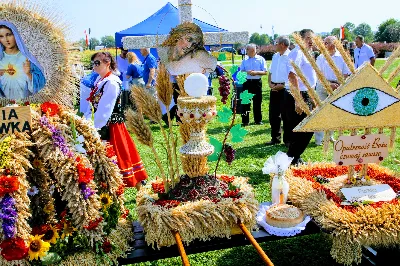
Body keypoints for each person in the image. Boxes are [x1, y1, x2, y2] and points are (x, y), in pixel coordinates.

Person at [84, 51, 147, 190]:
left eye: (97, 63)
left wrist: (93, 127)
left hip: (111, 126)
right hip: (104, 124)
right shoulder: (100, 81)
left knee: (119, 159)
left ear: (107, 63)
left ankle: (138, 192)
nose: (94, 66)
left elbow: (105, 109)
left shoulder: (111, 82)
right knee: (114, 160)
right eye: (93, 63)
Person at [285, 29, 317, 165]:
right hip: (299, 94)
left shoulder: (307, 53)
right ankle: (292, 157)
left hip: (308, 94)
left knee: (305, 127)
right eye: (308, 38)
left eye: (313, 38)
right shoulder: (297, 52)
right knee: (304, 127)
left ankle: (294, 156)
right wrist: (298, 100)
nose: (312, 41)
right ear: (300, 38)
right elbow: (292, 75)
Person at [314, 36, 351, 145]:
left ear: (334, 44)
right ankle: (319, 139)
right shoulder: (321, 57)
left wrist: (339, 83)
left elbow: (346, 73)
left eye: (327, 43)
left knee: (333, 111)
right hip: (322, 85)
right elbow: (318, 73)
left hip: (337, 85)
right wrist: (328, 84)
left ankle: (329, 135)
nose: (324, 45)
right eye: (324, 42)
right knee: (320, 111)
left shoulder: (341, 57)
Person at [0, 21, 46, 99]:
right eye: (1, 36)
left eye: (9, 35)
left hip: (25, 106)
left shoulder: (27, 59)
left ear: (15, 35)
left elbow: (41, 86)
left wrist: (29, 74)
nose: (6, 39)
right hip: (3, 108)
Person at [266, 36, 291, 146]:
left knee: (286, 116)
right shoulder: (275, 56)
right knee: (273, 115)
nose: (274, 45)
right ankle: (275, 138)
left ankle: (288, 140)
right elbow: (271, 71)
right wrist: (270, 83)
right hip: (274, 88)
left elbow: (292, 75)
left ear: (281, 44)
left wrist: (283, 85)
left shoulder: (290, 56)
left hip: (285, 89)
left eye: (275, 43)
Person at [240, 43, 267, 126]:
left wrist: (256, 73)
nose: (250, 52)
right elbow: (241, 72)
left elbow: (265, 72)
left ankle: (258, 120)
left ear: (255, 50)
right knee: (245, 102)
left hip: (256, 83)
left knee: (257, 102)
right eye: (248, 50)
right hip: (247, 82)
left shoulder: (261, 59)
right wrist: (247, 72)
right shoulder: (244, 60)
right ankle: (245, 121)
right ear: (247, 50)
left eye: (252, 50)